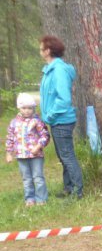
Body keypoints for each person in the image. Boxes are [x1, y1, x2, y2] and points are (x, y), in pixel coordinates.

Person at [39, 35, 83, 199]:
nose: (40, 51)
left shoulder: (58, 70)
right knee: (63, 156)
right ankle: (68, 188)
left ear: (48, 51)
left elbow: (64, 99)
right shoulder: (51, 69)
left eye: (41, 48)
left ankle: (78, 191)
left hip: (61, 120)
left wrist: (49, 116)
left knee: (67, 156)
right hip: (57, 120)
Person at [5, 93, 50, 206]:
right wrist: (9, 153)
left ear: (33, 108)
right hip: (21, 155)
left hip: (36, 156)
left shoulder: (37, 121)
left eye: (30, 108)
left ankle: (41, 199)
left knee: (38, 177)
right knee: (26, 178)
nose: (27, 111)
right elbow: (10, 138)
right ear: (19, 108)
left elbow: (45, 135)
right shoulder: (14, 123)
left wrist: (38, 146)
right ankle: (29, 199)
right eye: (24, 108)